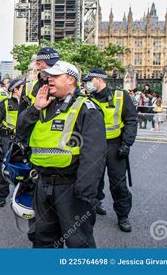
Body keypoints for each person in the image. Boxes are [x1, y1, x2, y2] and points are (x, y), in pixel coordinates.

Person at [17, 61, 107, 248]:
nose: (50, 79)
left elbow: (94, 154)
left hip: (71, 188)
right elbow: (20, 132)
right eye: (49, 75)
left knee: (78, 243)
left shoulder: (86, 108)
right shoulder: (44, 104)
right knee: (43, 240)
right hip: (42, 184)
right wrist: (35, 108)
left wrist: (85, 194)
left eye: (56, 76)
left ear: (71, 79)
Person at [83, 69, 138, 232]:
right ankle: (96, 203)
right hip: (93, 146)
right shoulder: (86, 99)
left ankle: (123, 216)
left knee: (118, 183)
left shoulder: (120, 96)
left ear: (99, 80)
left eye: (90, 80)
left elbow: (131, 120)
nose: (87, 84)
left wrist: (127, 143)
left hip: (115, 146)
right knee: (92, 180)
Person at [0, 78, 26, 207]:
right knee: (4, 169)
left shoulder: (29, 104)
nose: (26, 89)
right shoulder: (4, 104)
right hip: (7, 140)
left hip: (24, 140)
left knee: (25, 169)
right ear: (16, 89)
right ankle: (1, 196)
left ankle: (21, 196)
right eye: (22, 87)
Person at [16, 47, 60, 143]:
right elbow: (20, 120)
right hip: (32, 142)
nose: (53, 68)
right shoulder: (28, 88)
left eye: (55, 64)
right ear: (38, 64)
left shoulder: (60, 86)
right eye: (50, 64)